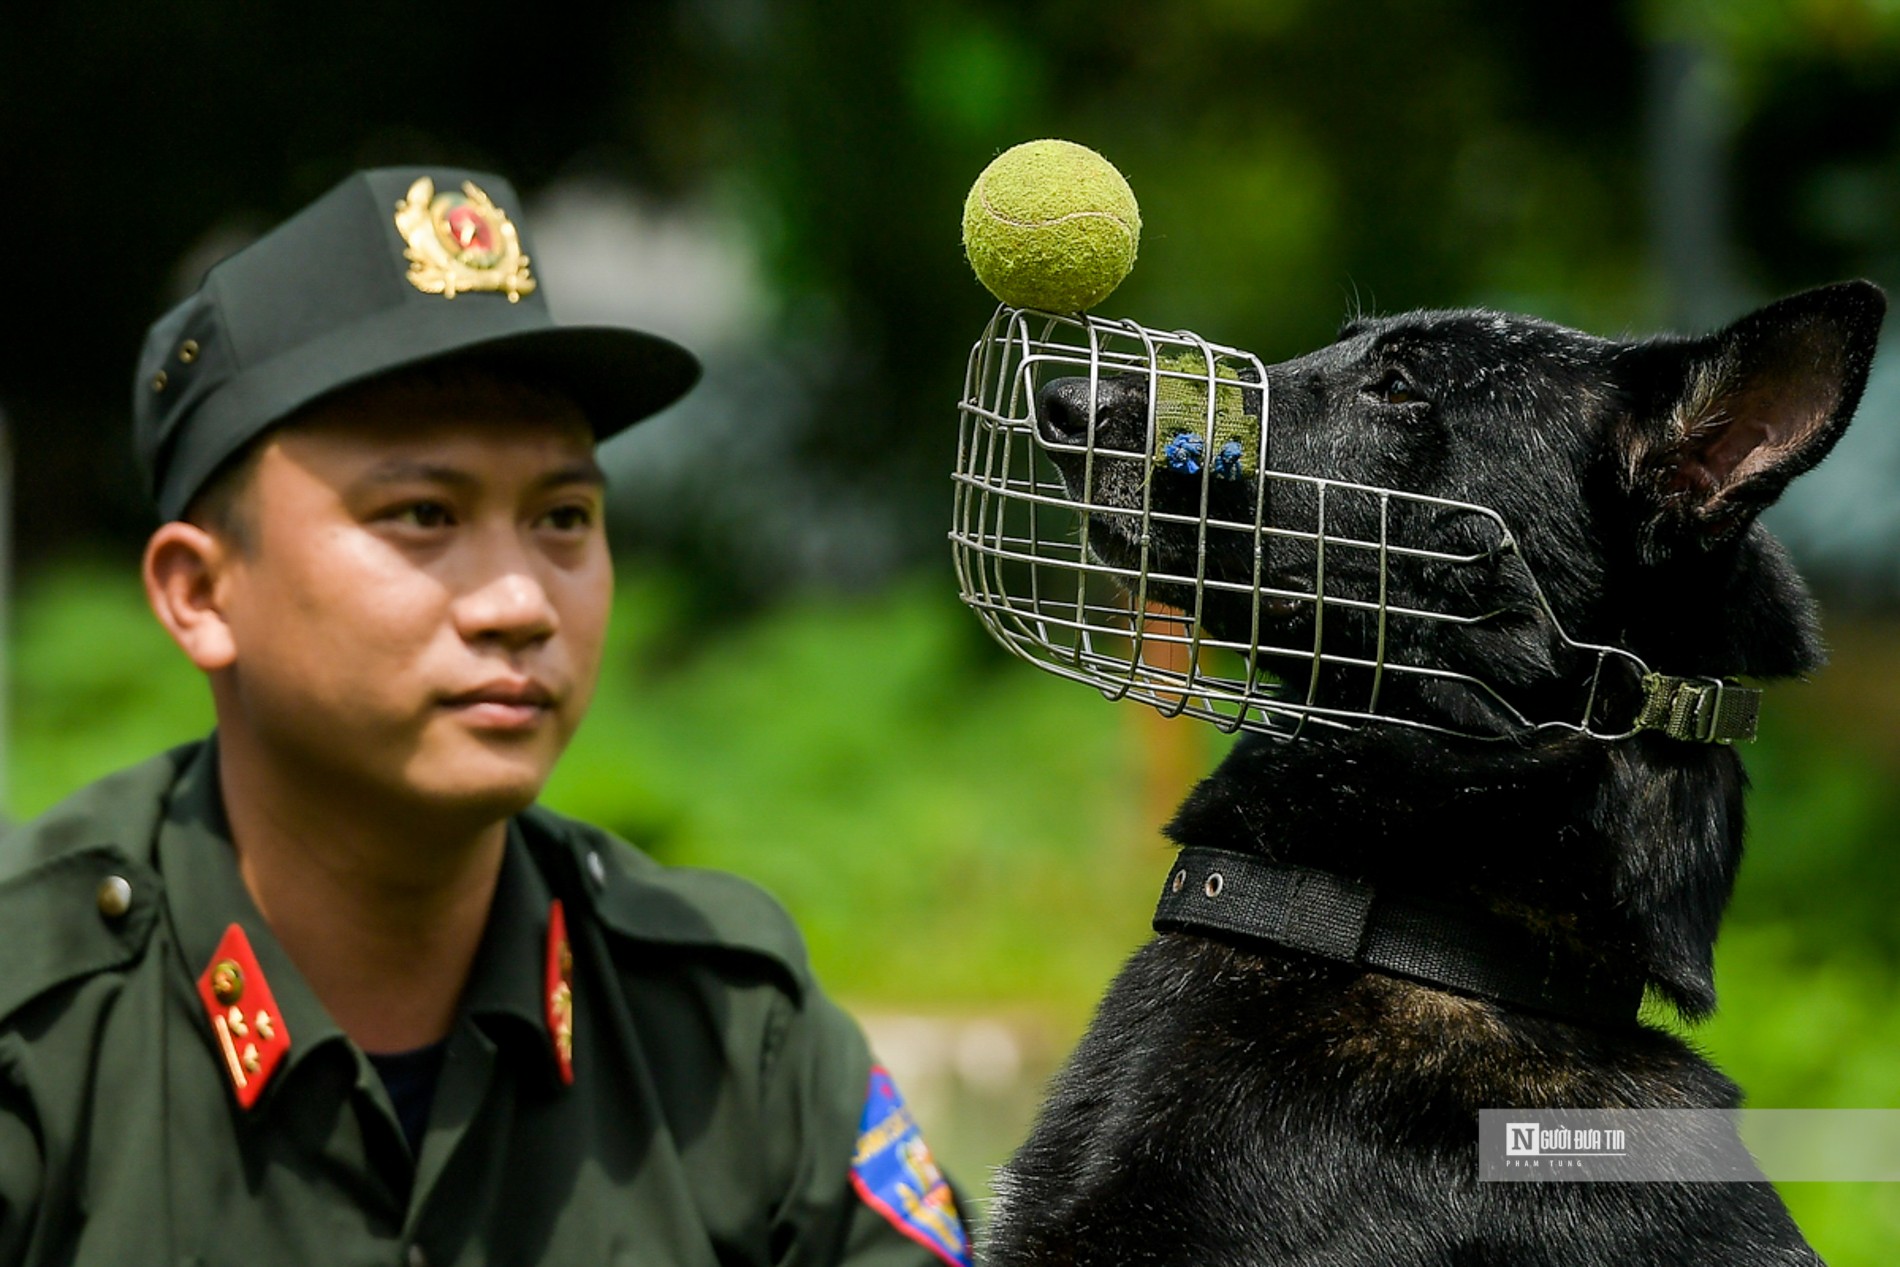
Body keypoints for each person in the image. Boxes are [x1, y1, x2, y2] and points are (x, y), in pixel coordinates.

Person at [0, 167, 971, 1267]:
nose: (518, 603)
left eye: (562, 517)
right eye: (422, 514)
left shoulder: (726, 1031)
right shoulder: (35, 1030)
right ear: (201, 592)